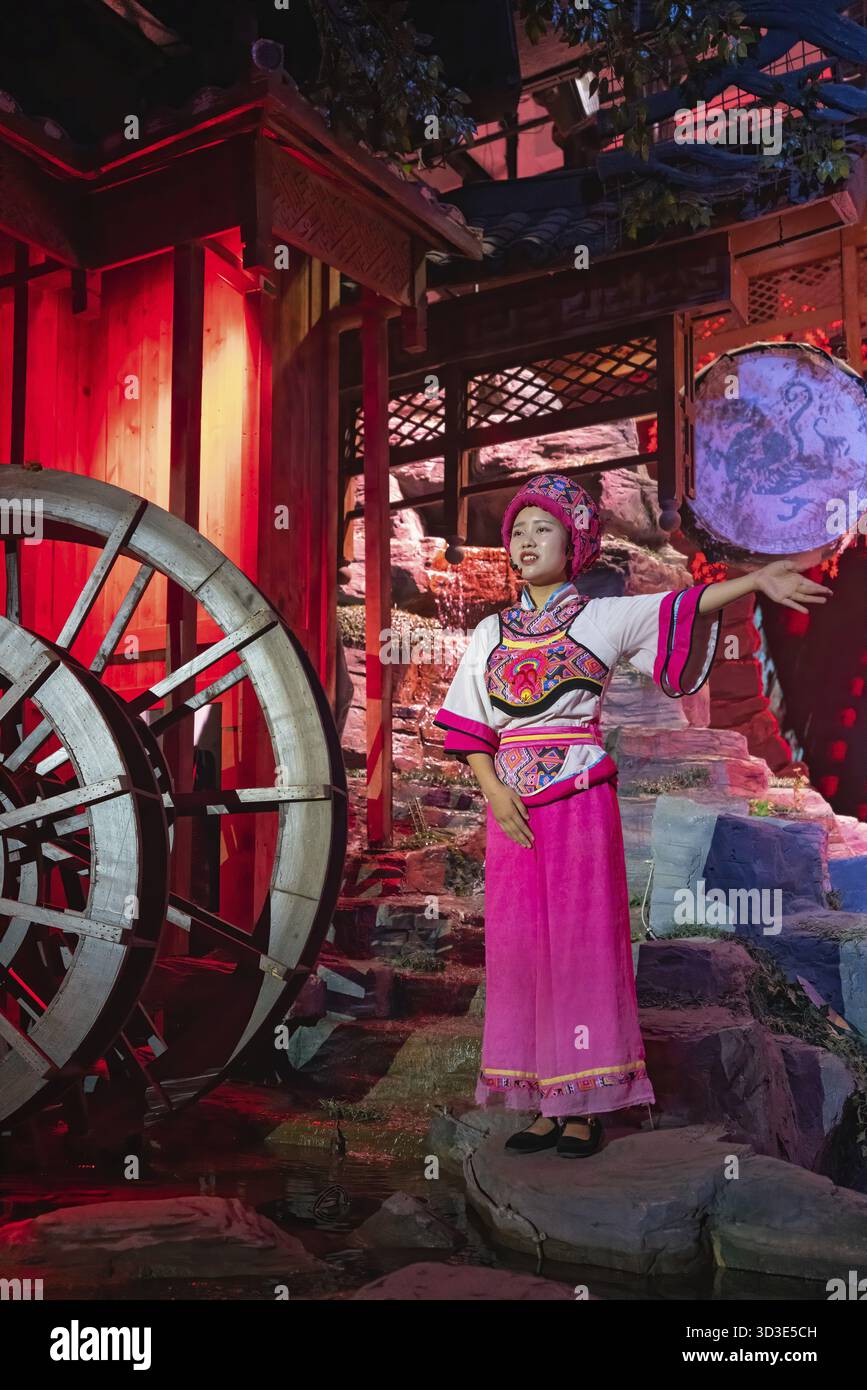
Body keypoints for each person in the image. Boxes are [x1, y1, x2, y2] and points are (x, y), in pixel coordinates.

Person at [433, 471, 831, 1158]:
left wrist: (755, 581)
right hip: (510, 806)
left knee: (582, 946)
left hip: (577, 799)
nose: (527, 541)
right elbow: (469, 725)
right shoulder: (491, 630)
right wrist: (493, 792)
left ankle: (586, 1104)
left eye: (543, 529)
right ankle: (540, 1098)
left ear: (574, 545)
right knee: (520, 948)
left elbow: (682, 605)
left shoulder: (600, 618)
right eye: (518, 530)